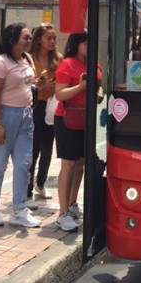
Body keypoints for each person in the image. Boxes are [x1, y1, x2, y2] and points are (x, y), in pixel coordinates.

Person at [0, 23, 40, 228]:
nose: (29, 41)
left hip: (26, 116)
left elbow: (29, 84)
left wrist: (39, 84)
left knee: (24, 163)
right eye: (25, 37)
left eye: (29, 37)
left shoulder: (27, 59)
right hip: (5, 116)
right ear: (12, 39)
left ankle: (19, 209)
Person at [53, 31, 103, 232]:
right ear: (76, 44)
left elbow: (99, 84)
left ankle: (72, 203)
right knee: (68, 164)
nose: (90, 45)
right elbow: (60, 93)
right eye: (86, 42)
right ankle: (62, 212)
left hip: (87, 118)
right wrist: (82, 86)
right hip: (67, 118)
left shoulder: (94, 63)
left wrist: (98, 93)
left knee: (81, 163)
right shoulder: (67, 64)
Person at [28, 24, 62, 202]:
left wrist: (55, 85)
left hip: (52, 105)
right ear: (39, 39)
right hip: (34, 105)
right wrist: (39, 84)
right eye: (49, 38)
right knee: (33, 148)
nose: (53, 41)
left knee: (48, 148)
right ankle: (27, 190)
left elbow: (64, 80)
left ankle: (40, 184)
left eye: (54, 38)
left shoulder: (58, 58)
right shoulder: (29, 58)